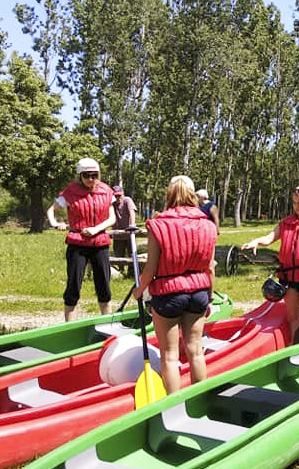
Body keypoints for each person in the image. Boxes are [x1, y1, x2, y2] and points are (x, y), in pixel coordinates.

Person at [134, 176, 218, 393]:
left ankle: (174, 408)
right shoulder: (207, 225)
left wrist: (139, 291)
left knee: (170, 356)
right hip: (199, 291)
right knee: (196, 351)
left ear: (169, 195)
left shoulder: (158, 225)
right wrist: (209, 296)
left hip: (168, 294)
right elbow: (210, 268)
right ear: (193, 196)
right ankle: (201, 399)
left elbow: (150, 269)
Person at [242, 185, 299, 340]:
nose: (296, 207)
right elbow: (270, 237)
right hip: (288, 276)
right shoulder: (286, 222)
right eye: (294, 203)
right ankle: (294, 349)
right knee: (293, 317)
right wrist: (256, 241)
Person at [47, 157, 116, 321]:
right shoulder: (70, 192)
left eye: (94, 175)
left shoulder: (107, 191)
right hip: (77, 244)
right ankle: (69, 325)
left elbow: (112, 218)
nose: (91, 179)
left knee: (104, 286)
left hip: (100, 243)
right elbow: (51, 210)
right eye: (87, 175)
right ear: (80, 175)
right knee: (73, 286)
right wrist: (56, 223)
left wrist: (95, 229)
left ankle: (108, 323)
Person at [111, 185, 137, 268]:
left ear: (123, 194)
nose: (118, 198)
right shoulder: (112, 204)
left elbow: (132, 212)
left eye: (119, 195)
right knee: (119, 256)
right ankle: (120, 271)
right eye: (116, 196)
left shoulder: (127, 200)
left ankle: (131, 273)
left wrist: (132, 225)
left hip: (129, 234)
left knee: (132, 254)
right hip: (117, 235)